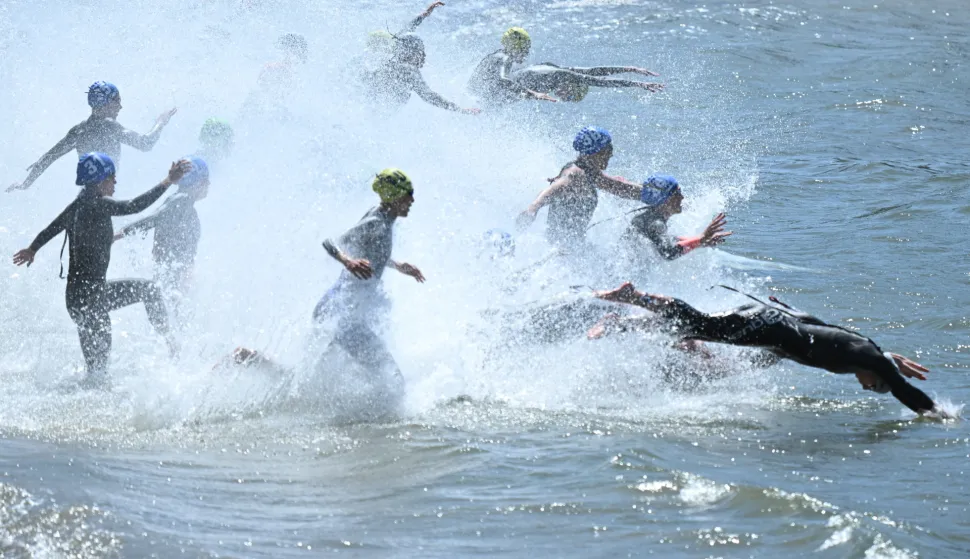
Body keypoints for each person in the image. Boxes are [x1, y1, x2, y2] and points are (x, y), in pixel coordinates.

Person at [588, 282, 943, 415]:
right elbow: (904, 391)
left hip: (774, 336)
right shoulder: (866, 358)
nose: (868, 387)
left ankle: (632, 328)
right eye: (874, 385)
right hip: (769, 330)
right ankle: (634, 297)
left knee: (727, 369)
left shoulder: (863, 355)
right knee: (702, 324)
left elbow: (821, 325)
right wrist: (938, 413)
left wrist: (888, 357)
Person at [12, 154, 192, 387]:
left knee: (96, 373)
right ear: (99, 181)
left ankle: (169, 346)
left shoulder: (78, 205)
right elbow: (134, 206)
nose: (115, 183)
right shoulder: (98, 204)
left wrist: (32, 249)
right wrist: (168, 181)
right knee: (99, 373)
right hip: (92, 297)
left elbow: (51, 229)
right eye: (111, 178)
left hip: (78, 298)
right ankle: (172, 346)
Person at [312, 169, 426, 380]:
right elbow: (331, 242)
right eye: (407, 193)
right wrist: (347, 261)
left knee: (317, 381)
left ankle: (251, 359)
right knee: (392, 378)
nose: (412, 199)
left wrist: (397, 265)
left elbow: (369, 253)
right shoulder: (377, 222)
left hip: (340, 312)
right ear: (393, 195)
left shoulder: (384, 218)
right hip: (342, 315)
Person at [7, 82, 177, 192]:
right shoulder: (110, 127)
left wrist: (25, 184)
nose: (120, 106)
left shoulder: (79, 131)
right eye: (117, 101)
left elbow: (48, 157)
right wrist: (161, 122)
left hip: (86, 196)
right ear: (104, 104)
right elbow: (145, 144)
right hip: (106, 196)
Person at [516, 127, 649, 249]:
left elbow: (618, 187)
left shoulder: (589, 172)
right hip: (561, 250)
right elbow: (556, 188)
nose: (611, 155)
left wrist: (651, 192)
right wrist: (533, 208)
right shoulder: (576, 174)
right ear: (595, 152)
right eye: (609, 150)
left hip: (571, 246)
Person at [114, 157, 210, 298]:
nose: (209, 184)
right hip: (170, 275)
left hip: (173, 276)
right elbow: (152, 219)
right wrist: (117, 235)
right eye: (206, 180)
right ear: (199, 182)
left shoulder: (188, 208)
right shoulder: (180, 201)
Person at [362, 33, 480, 114]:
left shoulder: (387, 65)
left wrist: (423, 15)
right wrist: (461, 110)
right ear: (409, 52)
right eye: (420, 51)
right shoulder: (407, 70)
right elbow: (428, 96)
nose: (424, 56)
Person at [625, 175, 732, 260]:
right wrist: (700, 239)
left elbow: (664, 239)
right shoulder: (656, 223)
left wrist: (701, 241)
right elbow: (668, 253)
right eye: (677, 193)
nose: (682, 197)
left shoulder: (649, 217)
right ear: (665, 200)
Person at [467, 27, 557, 105]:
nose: (526, 53)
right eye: (524, 49)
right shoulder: (504, 58)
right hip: (476, 101)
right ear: (515, 47)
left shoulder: (498, 56)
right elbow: (503, 80)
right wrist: (534, 94)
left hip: (475, 97)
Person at [510, 62, 663, 102]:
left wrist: (629, 69)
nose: (563, 98)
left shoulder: (557, 73)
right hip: (502, 89)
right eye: (569, 97)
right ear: (573, 86)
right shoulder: (561, 74)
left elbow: (593, 70)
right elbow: (598, 80)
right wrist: (638, 84)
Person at [365, 1, 446, 59]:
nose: (424, 56)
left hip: (382, 38)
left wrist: (428, 10)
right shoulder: (396, 50)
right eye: (421, 53)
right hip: (375, 40)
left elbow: (416, 22)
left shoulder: (404, 37)